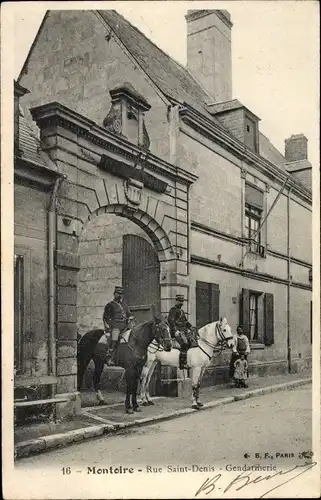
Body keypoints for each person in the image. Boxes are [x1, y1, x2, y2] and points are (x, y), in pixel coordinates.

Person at [102, 286, 133, 366]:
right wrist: (108, 330)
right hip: (115, 327)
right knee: (115, 338)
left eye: (121, 294)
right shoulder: (110, 305)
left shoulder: (124, 305)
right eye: (118, 294)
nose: (120, 296)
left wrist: (130, 318)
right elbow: (106, 318)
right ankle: (110, 357)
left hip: (125, 327)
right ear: (114, 294)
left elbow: (129, 315)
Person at [168, 294, 194, 369]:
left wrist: (191, 327)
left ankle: (188, 360)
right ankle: (182, 364)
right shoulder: (173, 310)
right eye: (179, 301)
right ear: (176, 301)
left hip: (184, 331)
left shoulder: (182, 311)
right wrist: (175, 330)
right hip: (177, 331)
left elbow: (185, 322)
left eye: (182, 301)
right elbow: (171, 321)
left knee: (192, 342)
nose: (181, 303)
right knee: (184, 344)